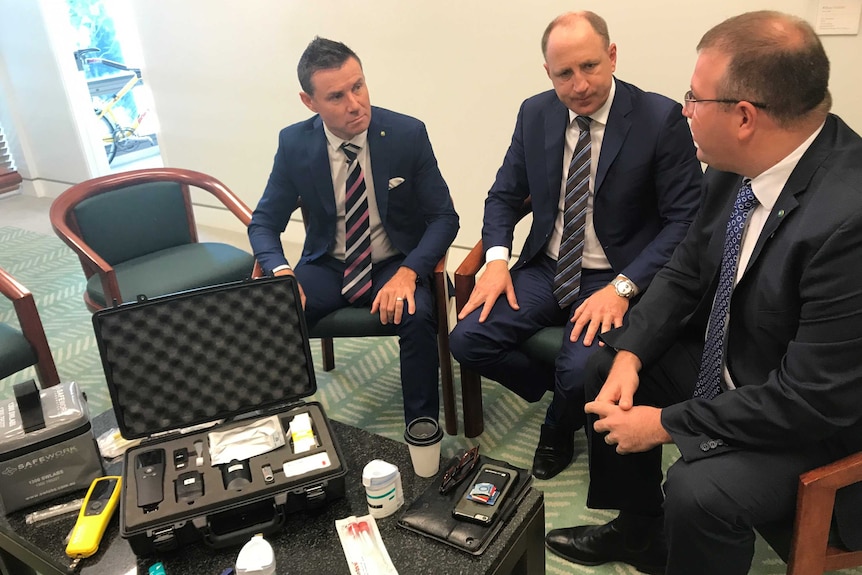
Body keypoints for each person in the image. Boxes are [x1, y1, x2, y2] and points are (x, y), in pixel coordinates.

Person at [545, 10, 862, 575]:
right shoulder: (733, 164)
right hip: (745, 364)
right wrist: (630, 353)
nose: (684, 110)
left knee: (697, 489)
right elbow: (687, 271)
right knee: (605, 367)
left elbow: (812, 401)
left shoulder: (849, 221)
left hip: (816, 424)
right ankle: (640, 532)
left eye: (694, 98)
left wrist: (667, 423)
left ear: (743, 116)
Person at [448, 11, 702, 480]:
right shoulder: (535, 112)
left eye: (589, 66)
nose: (579, 84)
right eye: (564, 73)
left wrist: (625, 287)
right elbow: (503, 195)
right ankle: (568, 400)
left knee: (579, 368)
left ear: (612, 56)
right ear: (549, 73)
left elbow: (686, 220)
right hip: (547, 266)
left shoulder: (659, 118)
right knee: (466, 340)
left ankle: (558, 427)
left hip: (617, 273)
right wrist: (499, 261)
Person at [248, 37, 459, 426]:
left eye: (358, 86)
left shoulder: (406, 134)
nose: (355, 104)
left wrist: (410, 273)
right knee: (272, 318)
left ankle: (422, 430)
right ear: (309, 102)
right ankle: (281, 428)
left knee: (417, 316)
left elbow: (445, 218)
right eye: (336, 96)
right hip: (329, 263)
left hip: (395, 262)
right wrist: (280, 273)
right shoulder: (294, 143)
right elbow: (263, 222)